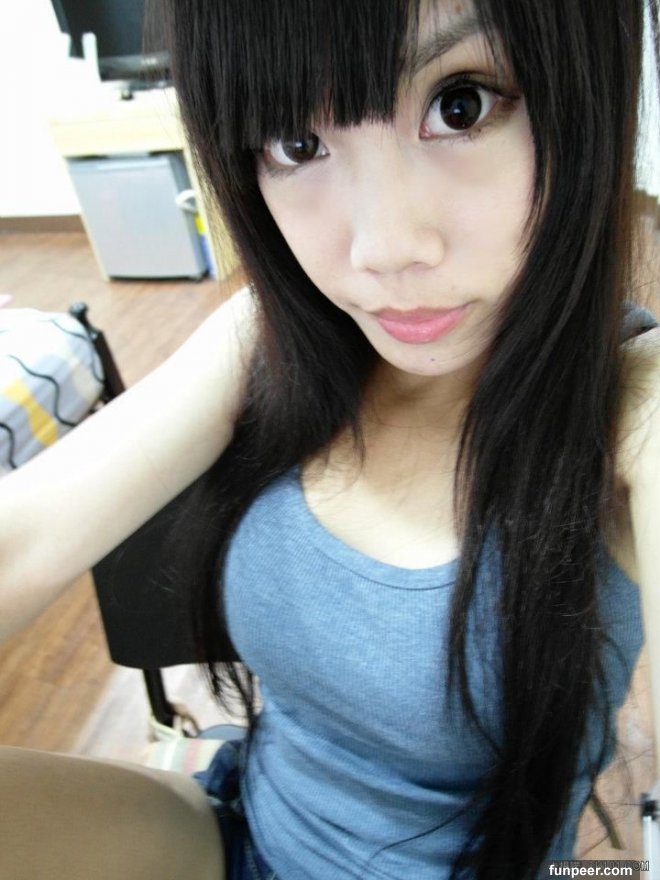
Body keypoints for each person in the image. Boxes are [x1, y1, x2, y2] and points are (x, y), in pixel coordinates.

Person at [1, 0, 659, 878]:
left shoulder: (635, 404)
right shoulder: (268, 340)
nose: (384, 249)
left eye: (460, 104)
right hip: (242, 825)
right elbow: (22, 539)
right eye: (296, 142)